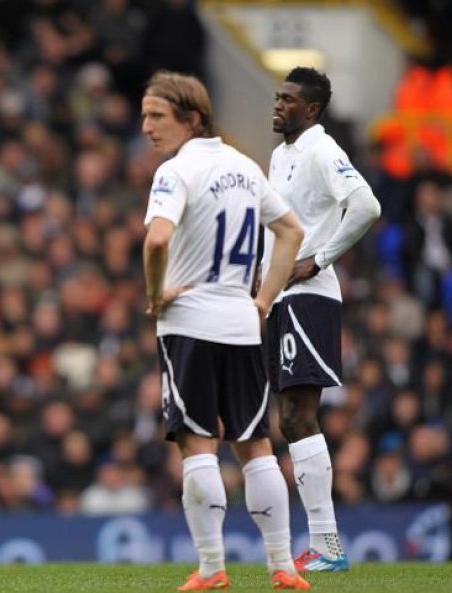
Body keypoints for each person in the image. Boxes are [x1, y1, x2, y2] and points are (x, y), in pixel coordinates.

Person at [142, 71, 309, 591]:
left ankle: (212, 569)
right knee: (255, 445)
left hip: (189, 321)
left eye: (156, 116)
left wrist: (153, 296)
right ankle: (282, 565)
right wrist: (262, 299)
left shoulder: (176, 171)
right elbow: (292, 231)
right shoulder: (244, 166)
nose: (146, 126)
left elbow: (156, 241)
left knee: (197, 445)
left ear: (192, 118)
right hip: (241, 324)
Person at [266, 67, 382, 573]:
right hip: (285, 297)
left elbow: (366, 205)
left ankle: (328, 545)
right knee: (289, 418)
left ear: (310, 110)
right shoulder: (281, 154)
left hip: (310, 295)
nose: (278, 104)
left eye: (288, 99)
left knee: (298, 415)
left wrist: (320, 258)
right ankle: (323, 544)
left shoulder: (320, 149)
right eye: (278, 96)